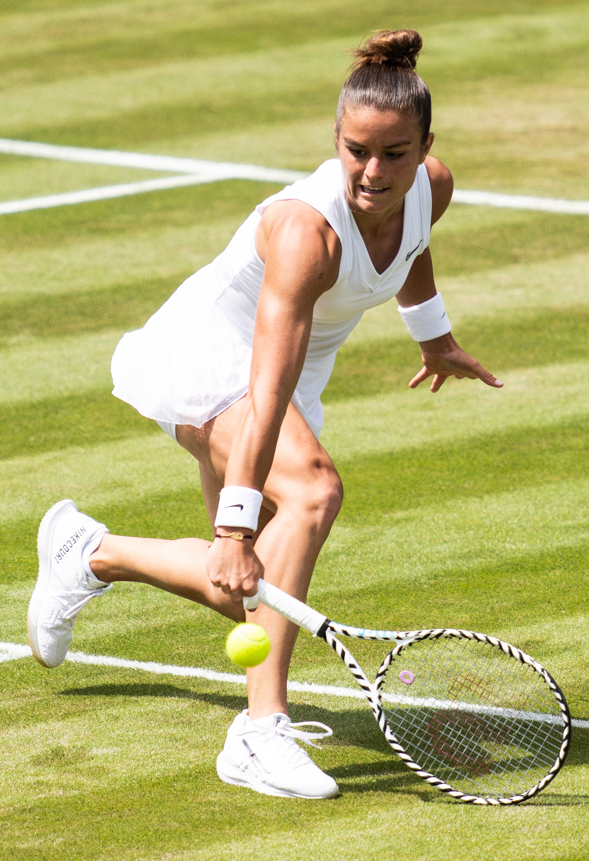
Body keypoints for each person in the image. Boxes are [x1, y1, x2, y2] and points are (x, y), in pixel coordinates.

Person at [27, 29, 502, 800]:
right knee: (311, 492)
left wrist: (435, 336)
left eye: (393, 154)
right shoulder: (302, 232)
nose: (372, 173)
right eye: (354, 152)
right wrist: (233, 528)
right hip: (209, 353)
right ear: (335, 141)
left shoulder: (431, 187)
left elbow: (410, 247)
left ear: (424, 149)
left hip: (285, 372)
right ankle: (257, 732)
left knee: (244, 589)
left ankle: (91, 551)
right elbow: (266, 380)